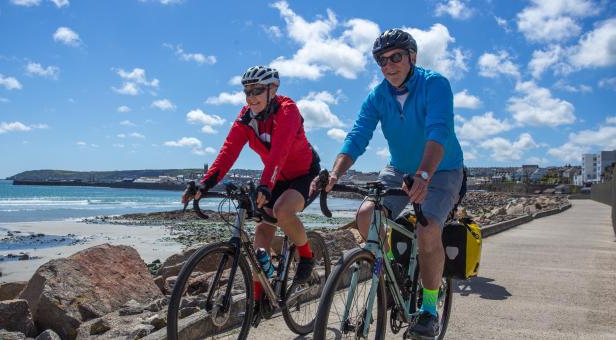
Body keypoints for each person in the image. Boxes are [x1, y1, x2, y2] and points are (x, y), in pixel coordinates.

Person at [310, 29, 464, 338]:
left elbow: (439, 131)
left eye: (396, 57)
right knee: (366, 214)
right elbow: (357, 136)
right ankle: (391, 269)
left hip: (442, 169)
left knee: (428, 228)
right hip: (398, 168)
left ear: (412, 57)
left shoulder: (435, 84)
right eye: (382, 60)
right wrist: (337, 173)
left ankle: (430, 309)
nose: (389, 65)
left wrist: (423, 175)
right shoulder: (378, 96)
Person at [182, 65, 321, 316]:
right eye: (247, 91)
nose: (251, 97)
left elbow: (280, 152)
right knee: (261, 231)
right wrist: (205, 184)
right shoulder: (246, 117)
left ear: (273, 89)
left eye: (257, 90)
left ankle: (307, 256)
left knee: (282, 211)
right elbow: (227, 152)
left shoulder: (288, 110)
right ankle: (259, 300)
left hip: (304, 173)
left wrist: (266, 185)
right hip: (276, 176)